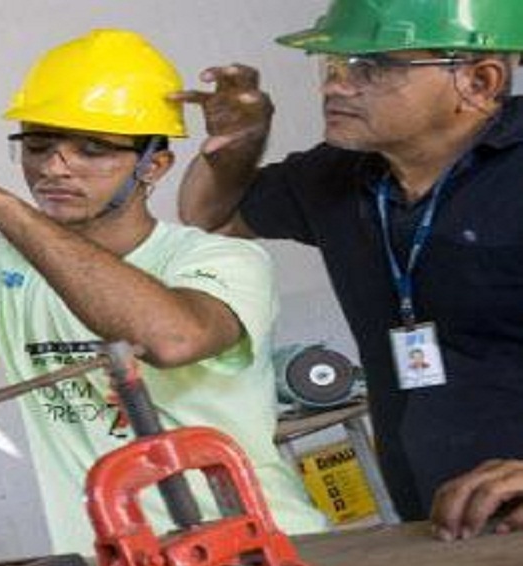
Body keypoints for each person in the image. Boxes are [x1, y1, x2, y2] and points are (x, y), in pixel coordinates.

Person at [0, 29, 327, 555]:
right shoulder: (0, 270)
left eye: (93, 149)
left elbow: (174, 338)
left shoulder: (219, 259)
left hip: (263, 555)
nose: (54, 167)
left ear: (155, 166)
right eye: (38, 145)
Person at [175, 0, 523, 537]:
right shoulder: (340, 176)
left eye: (374, 66)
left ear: (478, 81)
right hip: (439, 530)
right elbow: (209, 216)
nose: (335, 86)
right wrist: (238, 147)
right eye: (332, 65)